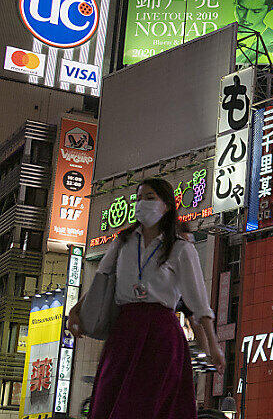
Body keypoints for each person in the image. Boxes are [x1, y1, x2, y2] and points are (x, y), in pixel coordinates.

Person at [67, 178, 225, 419]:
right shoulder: (123, 241)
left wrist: (213, 346)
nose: (142, 204)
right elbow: (102, 281)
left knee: (149, 404)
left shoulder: (181, 248)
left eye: (150, 198)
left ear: (167, 205)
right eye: (139, 198)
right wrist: (76, 311)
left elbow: (199, 302)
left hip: (161, 335)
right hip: (125, 331)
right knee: (112, 399)